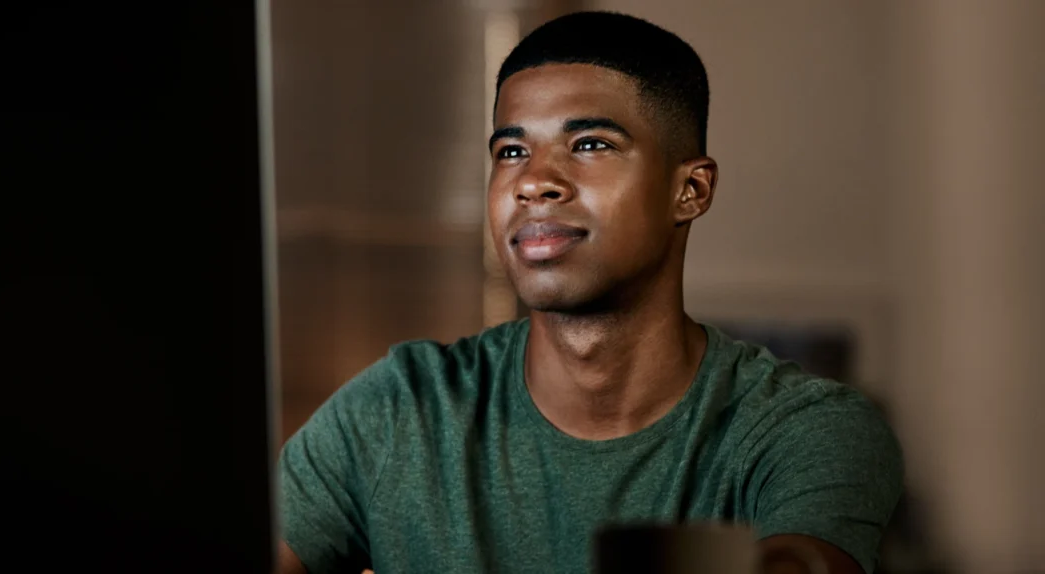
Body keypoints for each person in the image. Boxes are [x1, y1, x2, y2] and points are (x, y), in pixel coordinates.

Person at [277, 11, 903, 574]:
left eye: (590, 144)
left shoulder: (802, 431)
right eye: (512, 150)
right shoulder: (396, 412)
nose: (534, 182)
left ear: (690, 191)